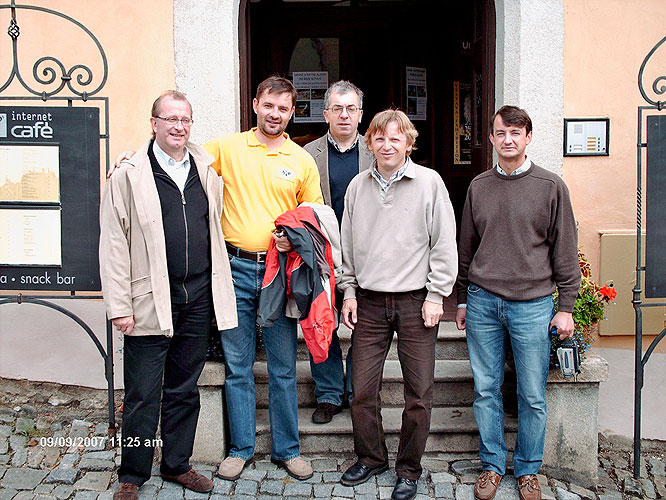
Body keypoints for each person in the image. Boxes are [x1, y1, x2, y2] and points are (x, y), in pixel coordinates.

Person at [99, 91, 237, 500]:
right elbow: (113, 243)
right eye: (171, 118)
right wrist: (119, 306)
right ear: (154, 123)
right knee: (142, 393)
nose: (179, 126)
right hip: (147, 300)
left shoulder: (206, 169)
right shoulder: (129, 174)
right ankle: (132, 474)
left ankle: (177, 464)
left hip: (196, 297)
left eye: (186, 119)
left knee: (184, 388)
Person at [455, 105, 580, 500]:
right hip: (482, 301)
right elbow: (465, 248)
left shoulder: (550, 186)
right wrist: (460, 300)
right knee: (486, 389)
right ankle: (492, 465)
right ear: (490, 139)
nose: (507, 139)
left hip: (534, 304)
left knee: (531, 394)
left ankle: (527, 470)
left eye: (515, 132)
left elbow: (565, 249)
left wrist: (567, 306)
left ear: (528, 137)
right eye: (500, 132)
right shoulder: (478, 186)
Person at [205, 76, 323, 482]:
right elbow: (177, 162)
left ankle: (287, 450)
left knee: (283, 367)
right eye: (268, 105)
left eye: (283, 108)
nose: (275, 114)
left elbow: (315, 218)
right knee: (238, 366)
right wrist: (131, 160)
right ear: (255, 104)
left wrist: (295, 238)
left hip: (279, 273)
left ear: (293, 111)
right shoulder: (227, 147)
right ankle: (240, 449)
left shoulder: (301, 159)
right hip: (235, 269)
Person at [338, 109, 458, 500]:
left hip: (416, 302)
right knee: (360, 389)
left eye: (396, 138)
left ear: (409, 143)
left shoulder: (429, 183)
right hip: (370, 303)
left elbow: (443, 243)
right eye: (379, 138)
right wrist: (349, 292)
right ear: (369, 142)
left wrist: (437, 294)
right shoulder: (357, 186)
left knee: (419, 394)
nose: (387, 145)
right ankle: (371, 457)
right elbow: (348, 246)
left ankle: (408, 469)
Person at [302, 80, 374, 424]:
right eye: (337, 109)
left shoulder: (378, 152)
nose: (344, 115)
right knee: (322, 326)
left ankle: (356, 390)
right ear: (326, 113)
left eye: (351, 109)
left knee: (367, 326)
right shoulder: (306, 154)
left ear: (361, 115)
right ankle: (329, 393)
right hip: (321, 254)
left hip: (368, 255)